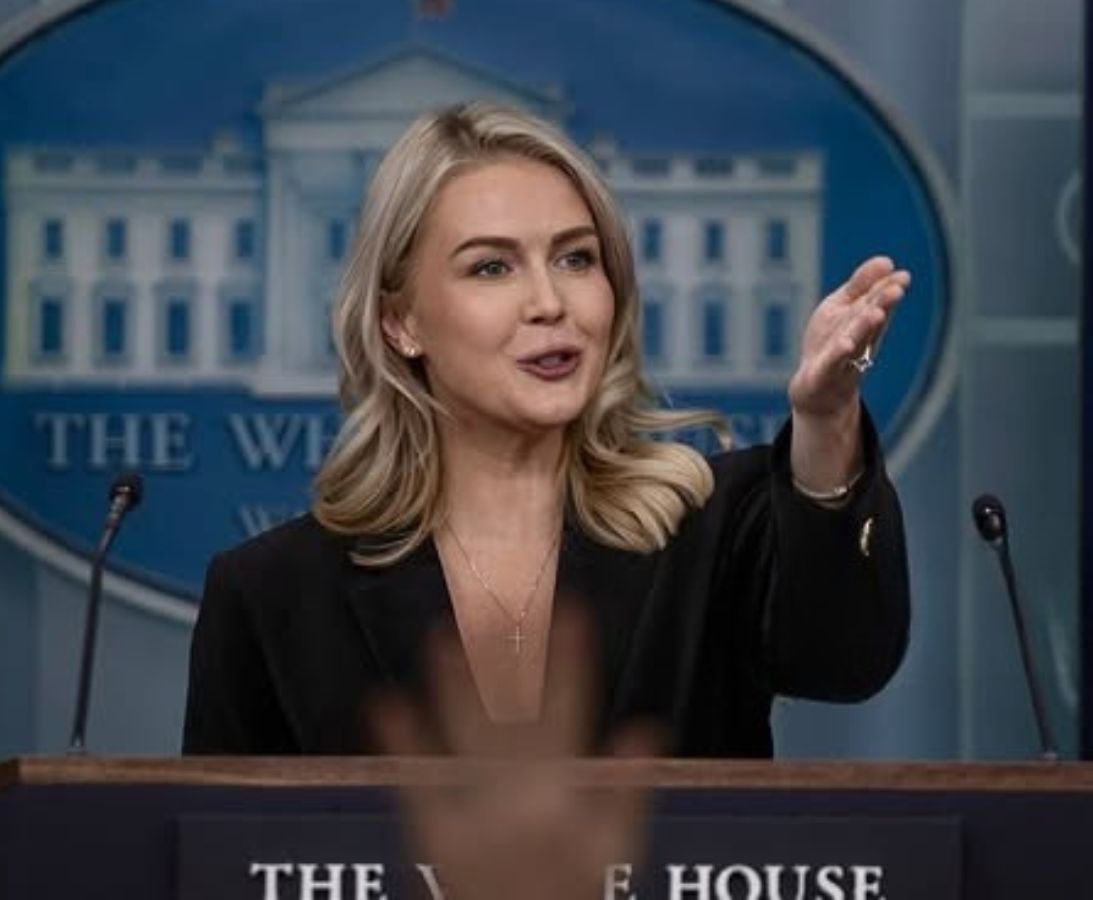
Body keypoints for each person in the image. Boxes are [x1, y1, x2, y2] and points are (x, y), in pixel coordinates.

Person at [182, 102, 911, 757]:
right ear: (400, 322)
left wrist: (825, 420)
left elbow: (844, 661)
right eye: (492, 268)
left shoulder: (714, 525)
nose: (549, 301)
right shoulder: (271, 592)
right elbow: (222, 845)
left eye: (575, 259)